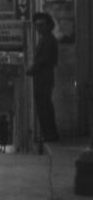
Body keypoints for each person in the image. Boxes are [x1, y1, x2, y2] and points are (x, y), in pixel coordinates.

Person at [26, 11, 59, 142]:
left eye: (41, 25)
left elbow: (45, 59)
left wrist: (32, 69)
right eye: (37, 25)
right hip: (41, 78)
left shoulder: (49, 40)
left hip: (44, 78)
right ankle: (48, 133)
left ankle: (50, 134)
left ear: (48, 25)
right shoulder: (44, 39)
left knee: (45, 107)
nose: (39, 28)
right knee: (42, 106)